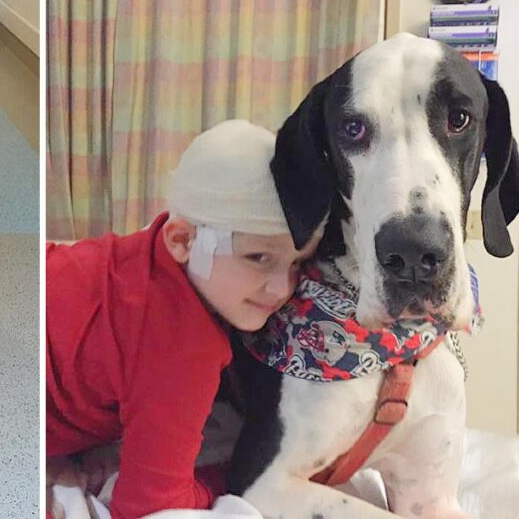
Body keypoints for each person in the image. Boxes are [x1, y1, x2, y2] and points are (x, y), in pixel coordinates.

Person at [45, 120, 321, 518]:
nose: (282, 288)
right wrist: (228, 479)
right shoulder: (184, 347)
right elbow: (150, 504)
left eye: (298, 264)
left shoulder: (148, 250)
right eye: (258, 257)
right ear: (183, 241)